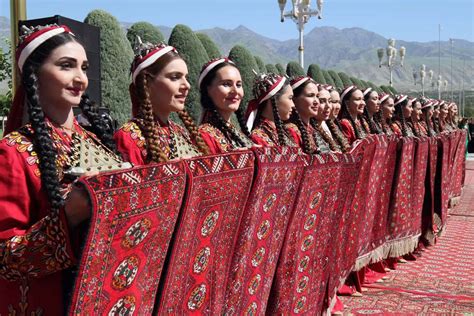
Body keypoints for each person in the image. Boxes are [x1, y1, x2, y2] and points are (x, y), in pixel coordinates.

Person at [0, 24, 125, 315]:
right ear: (34, 74)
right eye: (66, 66)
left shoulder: (97, 143)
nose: (80, 78)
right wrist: (69, 214)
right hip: (48, 302)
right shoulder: (13, 152)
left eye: (84, 67)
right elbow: (5, 259)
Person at [114, 40, 209, 165]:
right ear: (147, 83)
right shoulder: (128, 137)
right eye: (175, 77)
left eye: (186, 77)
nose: (187, 85)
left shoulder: (180, 132)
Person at [197, 57, 254, 154]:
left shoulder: (238, 134)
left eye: (239, 85)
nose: (236, 91)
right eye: (226, 84)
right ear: (208, 89)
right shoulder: (204, 136)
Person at [246, 73, 298, 147]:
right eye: (290, 98)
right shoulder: (258, 137)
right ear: (273, 100)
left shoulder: (285, 132)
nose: (293, 105)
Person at [284, 76, 320, 154]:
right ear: (294, 100)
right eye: (310, 95)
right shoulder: (291, 130)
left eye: (317, 96)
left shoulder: (312, 128)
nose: (316, 101)